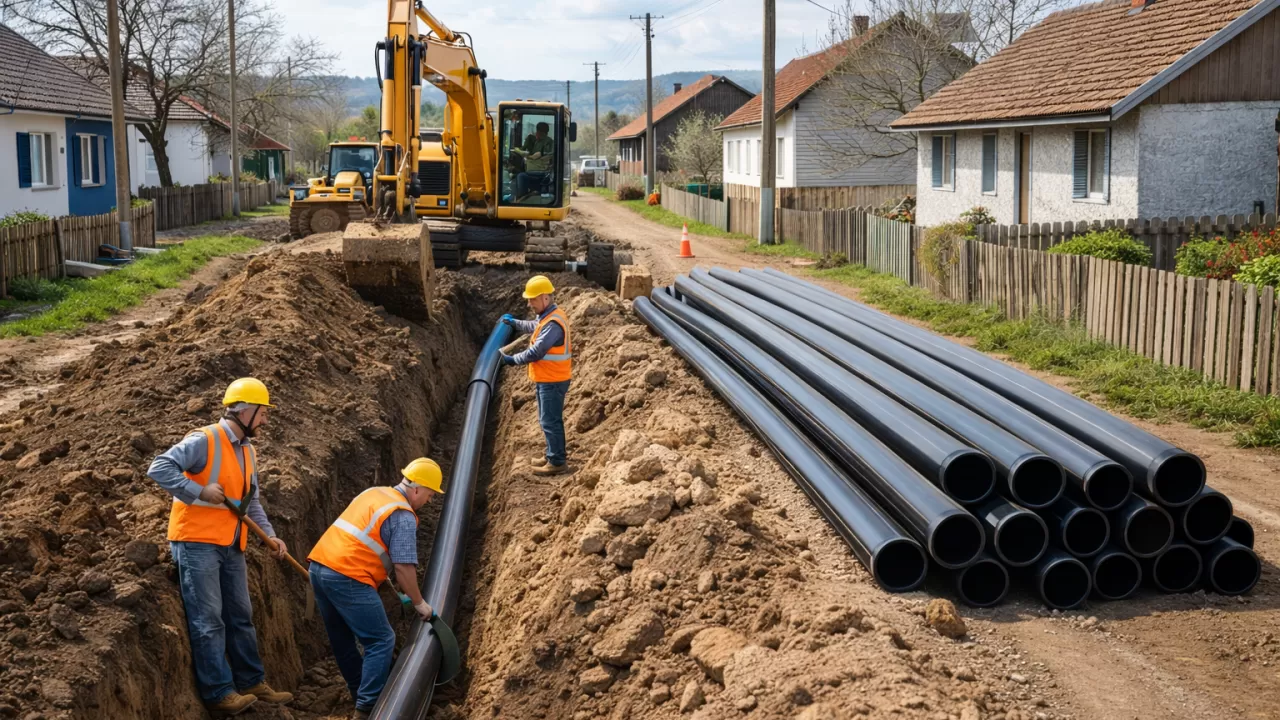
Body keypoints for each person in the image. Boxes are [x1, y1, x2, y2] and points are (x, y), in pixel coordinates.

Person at [147, 378, 294, 717]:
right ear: (245, 411)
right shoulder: (205, 439)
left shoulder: (247, 450)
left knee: (241, 615)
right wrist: (199, 491)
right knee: (209, 619)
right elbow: (159, 467)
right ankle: (219, 693)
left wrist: (269, 535)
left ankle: (252, 681)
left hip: (231, 542)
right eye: (263, 413)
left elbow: (250, 501)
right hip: (197, 541)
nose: (266, 420)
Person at [307, 459, 442, 720]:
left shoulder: (374, 493)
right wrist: (419, 603)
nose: (430, 500)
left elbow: (363, 541)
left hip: (319, 568)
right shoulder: (402, 515)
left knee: (342, 641)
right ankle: (368, 708)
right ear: (416, 489)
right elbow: (403, 568)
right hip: (348, 575)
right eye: (430, 494)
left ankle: (358, 694)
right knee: (381, 640)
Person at [500, 276, 572, 476]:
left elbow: (536, 352)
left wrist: (513, 360)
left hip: (553, 380)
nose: (529, 303)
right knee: (546, 420)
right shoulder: (548, 317)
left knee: (550, 421)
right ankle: (551, 455)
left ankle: (557, 462)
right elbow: (534, 326)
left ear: (545, 298)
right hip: (547, 378)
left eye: (532, 299)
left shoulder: (553, 324)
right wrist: (514, 323)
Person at [513, 121, 554, 201]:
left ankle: (521, 198)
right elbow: (526, 150)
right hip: (532, 169)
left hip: (541, 171)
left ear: (540, 132)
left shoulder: (548, 142)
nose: (536, 133)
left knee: (521, 176)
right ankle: (525, 195)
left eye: (538, 131)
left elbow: (537, 156)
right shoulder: (536, 141)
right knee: (514, 173)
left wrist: (525, 155)